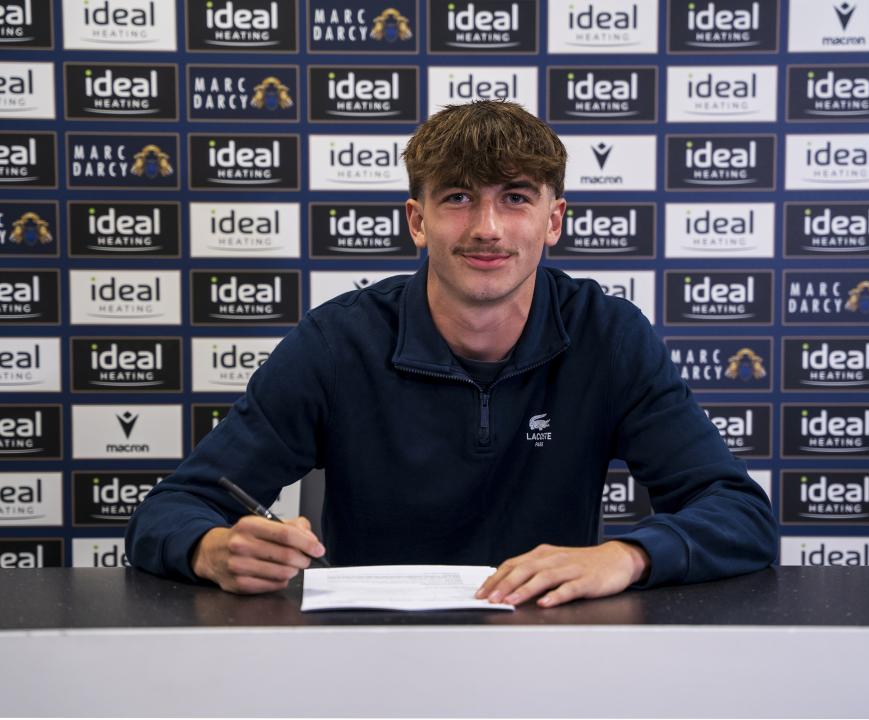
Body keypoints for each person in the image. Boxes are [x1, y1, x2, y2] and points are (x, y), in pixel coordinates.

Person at [126, 100, 777, 606]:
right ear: (418, 219)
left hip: (553, 649)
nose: (487, 228)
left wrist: (629, 555)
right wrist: (212, 549)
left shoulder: (609, 335)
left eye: (515, 198)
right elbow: (170, 511)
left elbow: (741, 515)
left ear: (554, 220)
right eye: (459, 197)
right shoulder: (336, 342)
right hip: (369, 659)